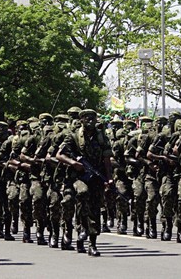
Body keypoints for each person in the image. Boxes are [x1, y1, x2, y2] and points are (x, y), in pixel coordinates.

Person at [56, 109, 114, 257]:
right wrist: (73, 163)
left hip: (96, 177)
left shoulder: (101, 137)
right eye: (87, 118)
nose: (90, 121)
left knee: (95, 208)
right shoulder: (73, 136)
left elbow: (107, 159)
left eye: (93, 118)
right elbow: (59, 154)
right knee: (82, 193)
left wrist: (109, 178)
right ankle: (80, 227)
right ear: (81, 120)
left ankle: (92, 243)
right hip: (77, 177)